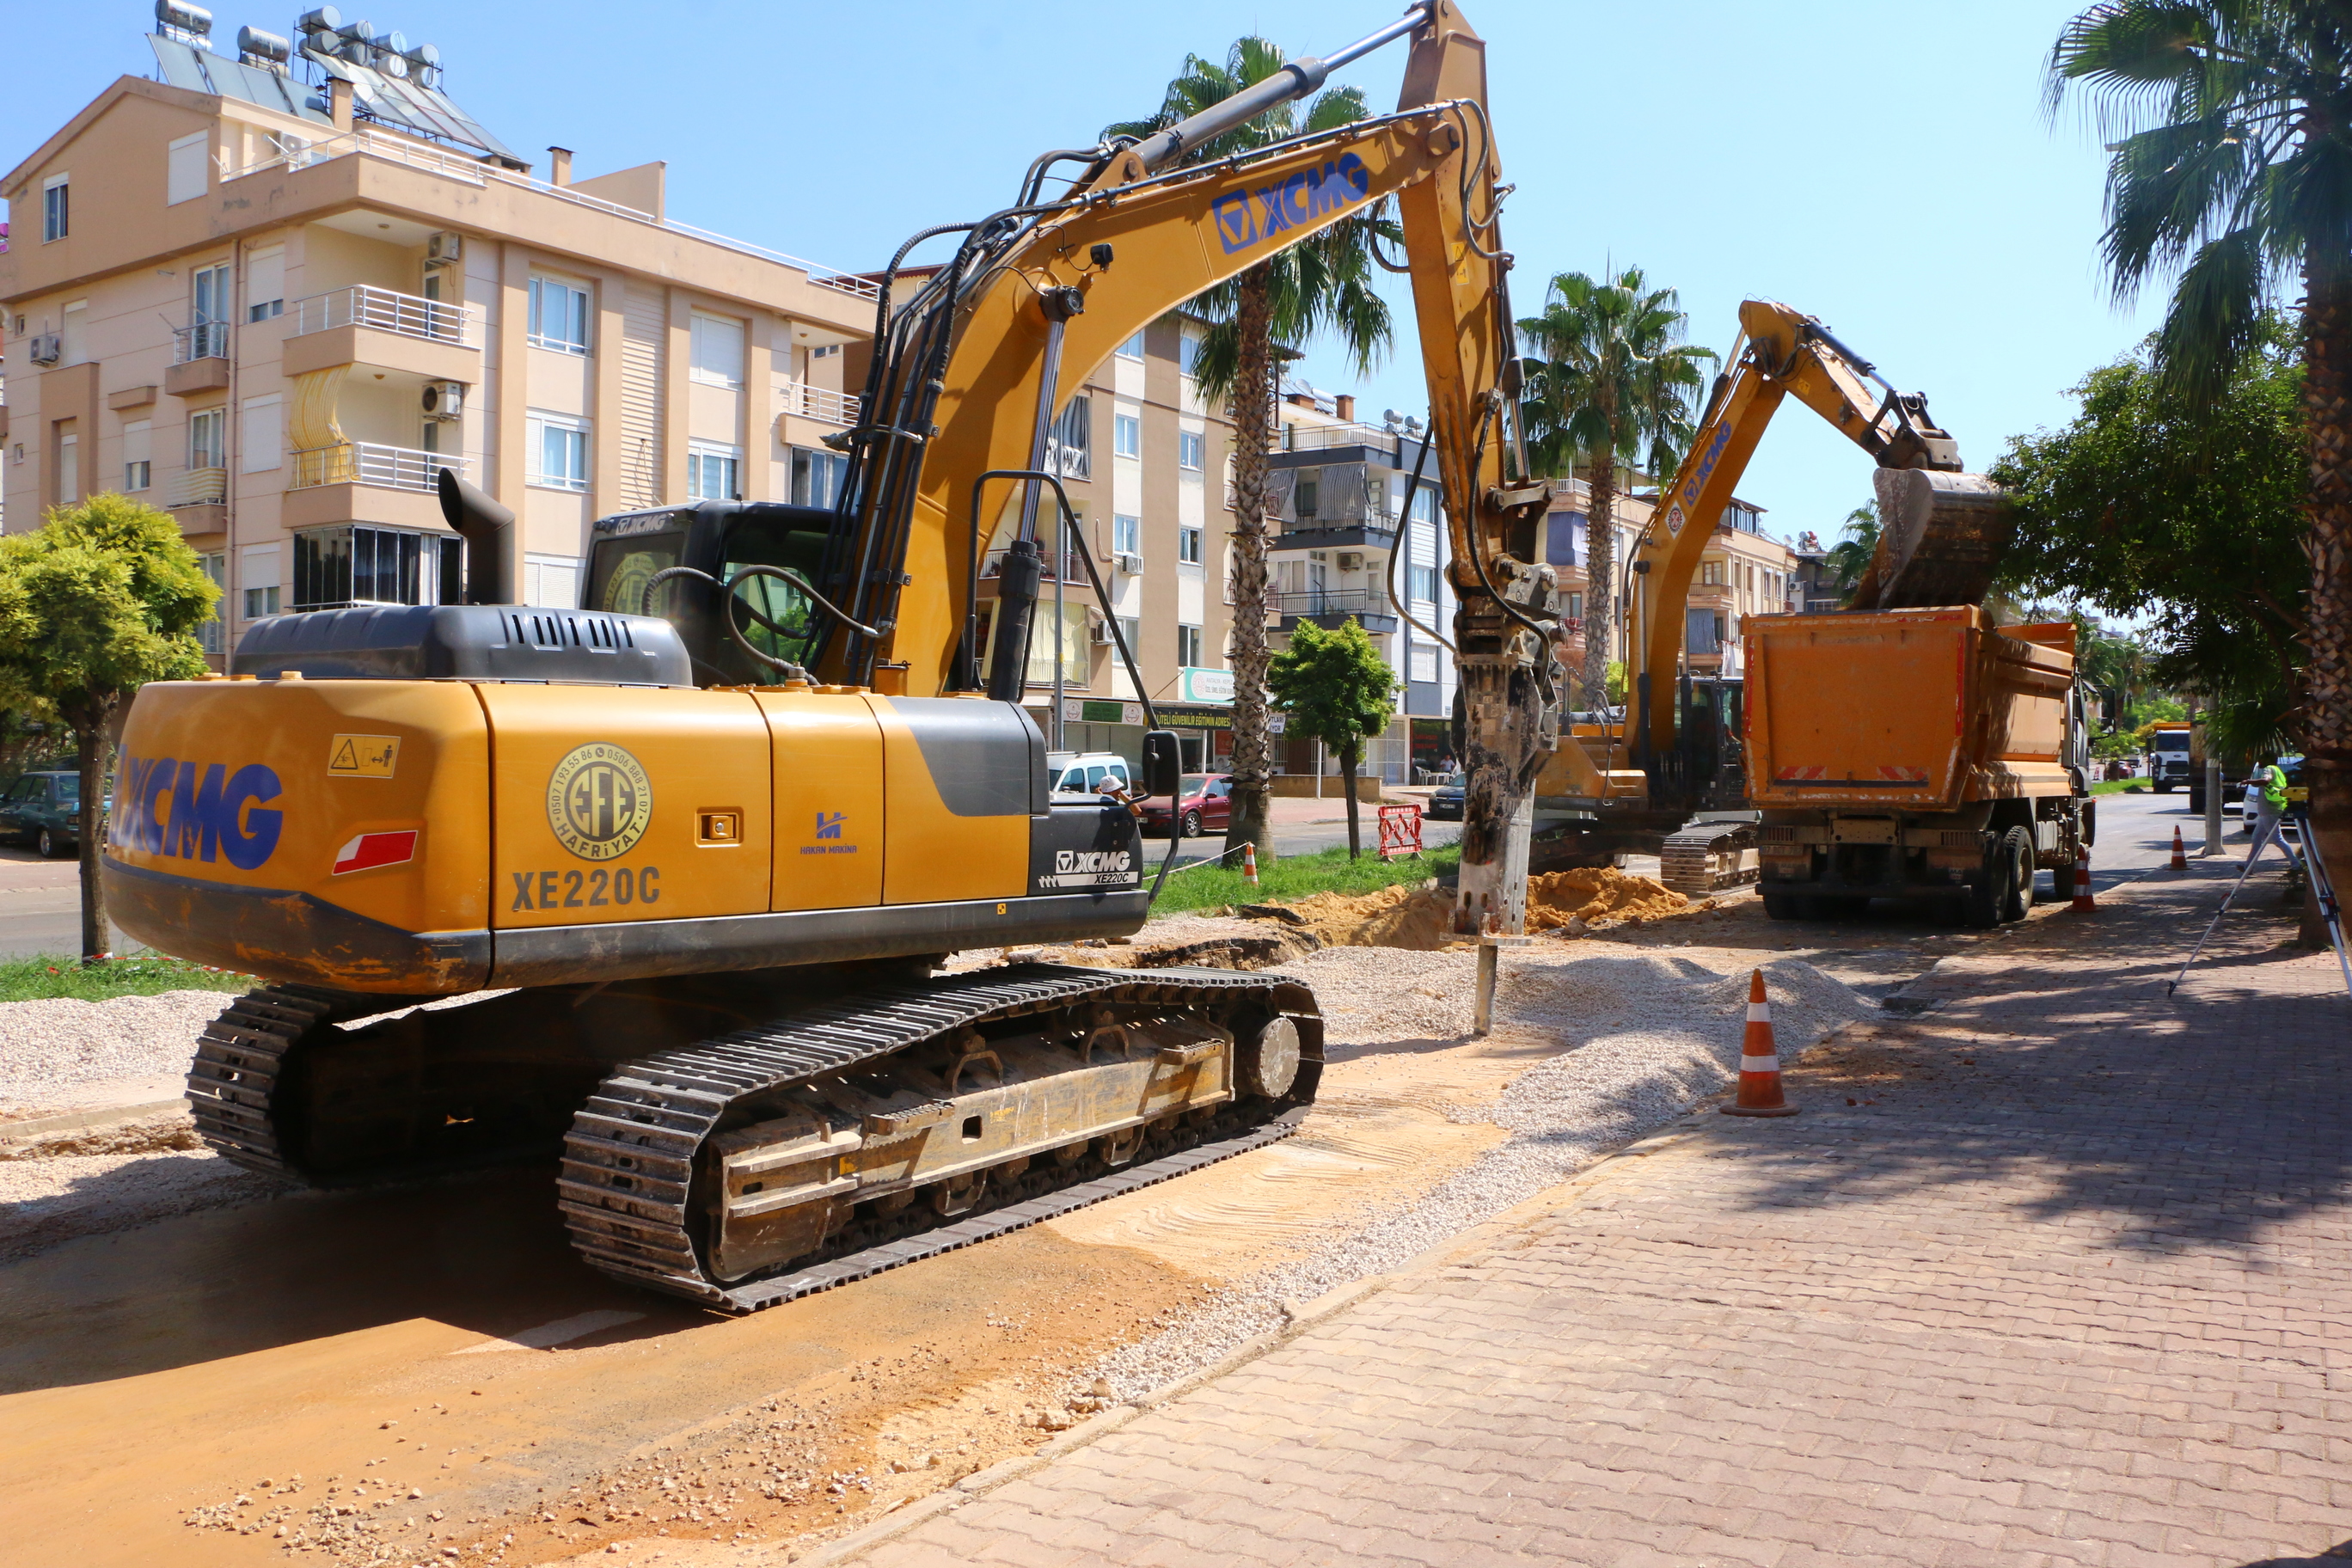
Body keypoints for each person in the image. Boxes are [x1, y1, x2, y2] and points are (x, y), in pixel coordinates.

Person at [2248, 754, 2289, 860]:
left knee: (2277, 839)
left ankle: (2296, 864)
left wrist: (2248, 781)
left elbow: (2266, 780)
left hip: (2269, 810)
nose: (2259, 762)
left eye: (2261, 760)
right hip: (2268, 810)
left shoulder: (2269, 768)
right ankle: (2248, 866)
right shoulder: (2278, 770)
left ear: (2267, 760)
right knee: (2257, 838)